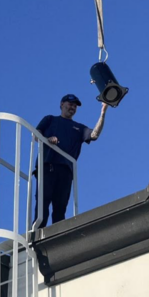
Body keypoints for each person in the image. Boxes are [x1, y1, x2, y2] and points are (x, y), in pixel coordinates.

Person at [33, 93, 107, 227]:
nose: (72, 107)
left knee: (60, 209)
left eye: (75, 105)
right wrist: (47, 139)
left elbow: (94, 135)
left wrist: (103, 113)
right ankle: (36, 237)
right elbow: (35, 135)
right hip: (47, 167)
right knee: (42, 205)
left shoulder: (79, 128)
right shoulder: (50, 119)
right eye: (70, 104)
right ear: (62, 104)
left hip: (66, 171)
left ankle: (57, 239)